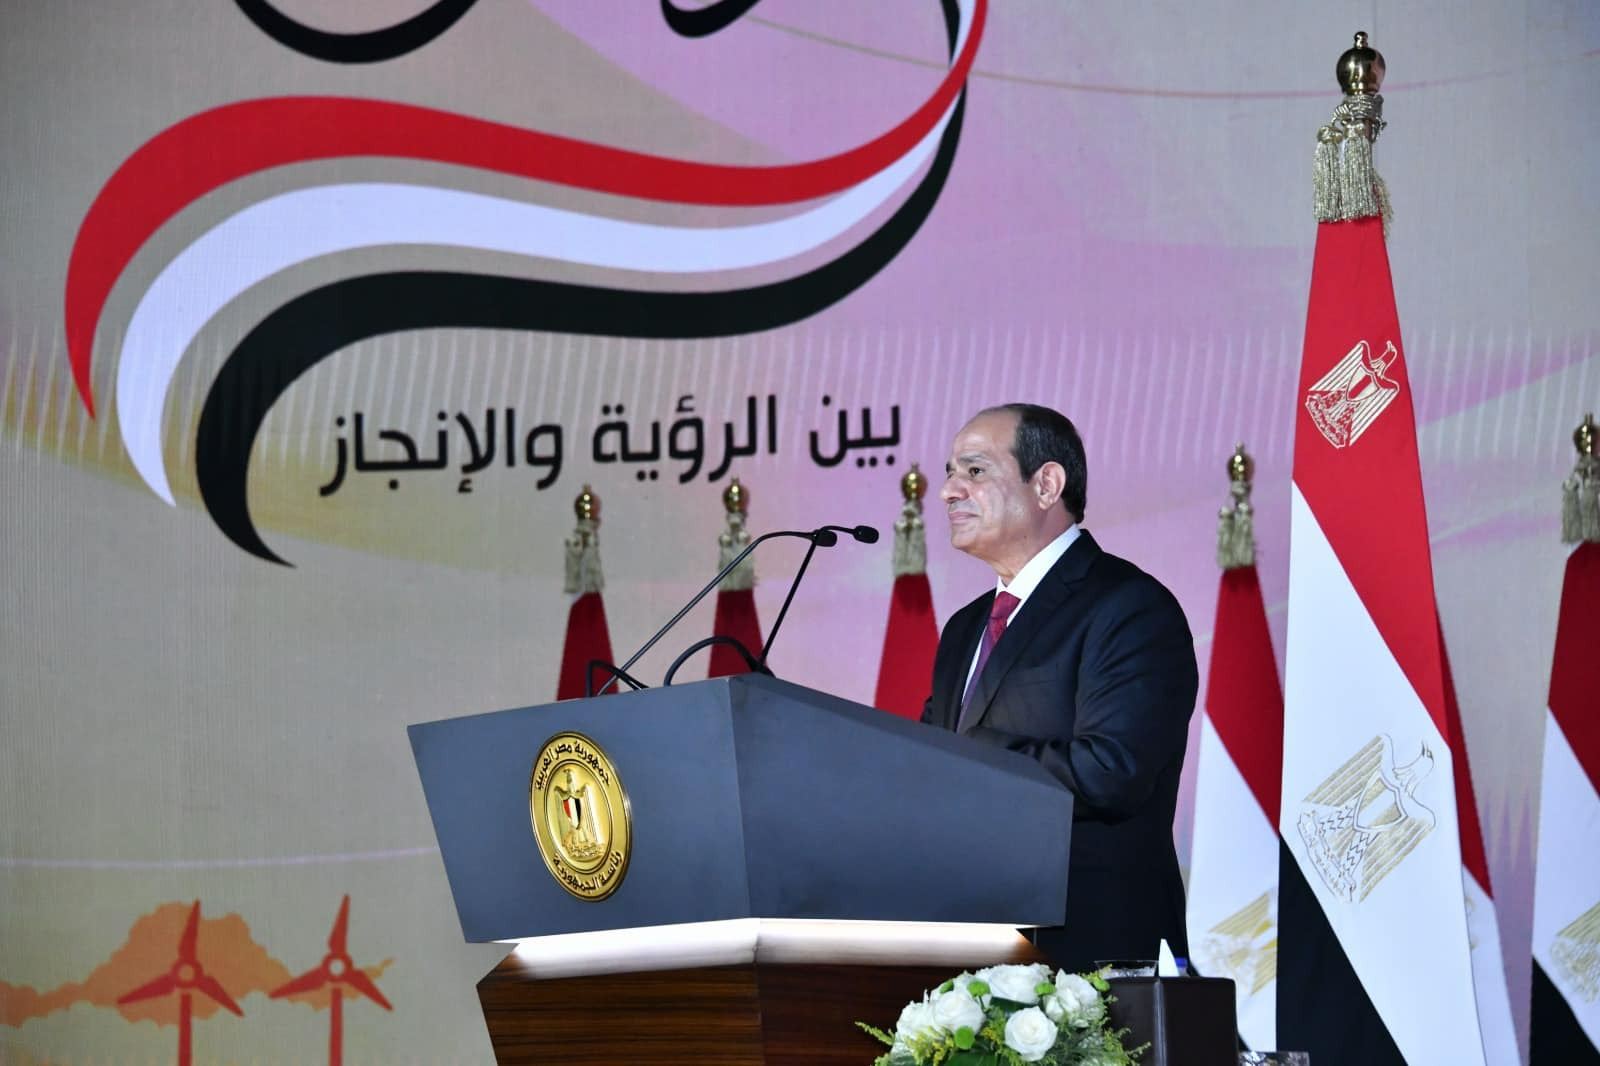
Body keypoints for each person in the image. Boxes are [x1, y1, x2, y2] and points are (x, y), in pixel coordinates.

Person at [923, 403, 1197, 973]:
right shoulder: (964, 628)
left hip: (1093, 958)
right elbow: (928, 767)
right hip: (974, 953)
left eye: (974, 471)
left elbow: (1111, 772)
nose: (948, 491)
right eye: (950, 473)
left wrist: (969, 756)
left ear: (1046, 484)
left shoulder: (1128, 606)